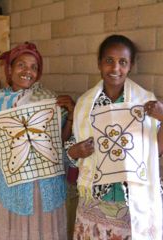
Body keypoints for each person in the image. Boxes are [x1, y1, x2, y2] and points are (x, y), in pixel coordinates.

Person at [0, 42, 75, 240]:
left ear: (38, 73)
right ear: (10, 69)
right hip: (15, 187)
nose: (27, 71)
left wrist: (70, 115)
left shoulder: (49, 99)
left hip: (46, 185)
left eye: (33, 67)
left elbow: (57, 143)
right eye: (21, 65)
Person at [67, 34, 163, 239]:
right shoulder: (85, 104)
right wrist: (75, 151)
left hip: (130, 200)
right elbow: (72, 149)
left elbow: (157, 151)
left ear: (131, 66)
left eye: (123, 62)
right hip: (94, 198)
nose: (115, 68)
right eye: (109, 60)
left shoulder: (145, 101)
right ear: (99, 64)